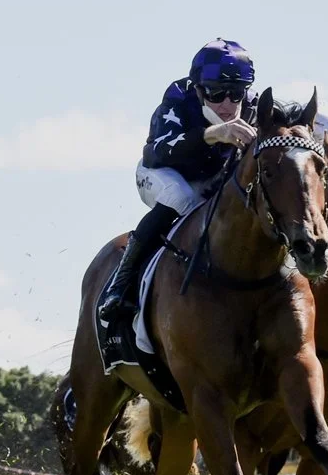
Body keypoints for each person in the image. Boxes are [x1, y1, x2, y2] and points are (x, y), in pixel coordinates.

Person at [98, 39, 258, 321]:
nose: (227, 104)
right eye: (217, 93)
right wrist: (212, 134)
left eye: (236, 94)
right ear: (198, 89)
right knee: (182, 197)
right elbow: (156, 152)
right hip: (161, 174)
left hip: (214, 180)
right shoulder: (177, 99)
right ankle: (120, 284)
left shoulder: (254, 106)